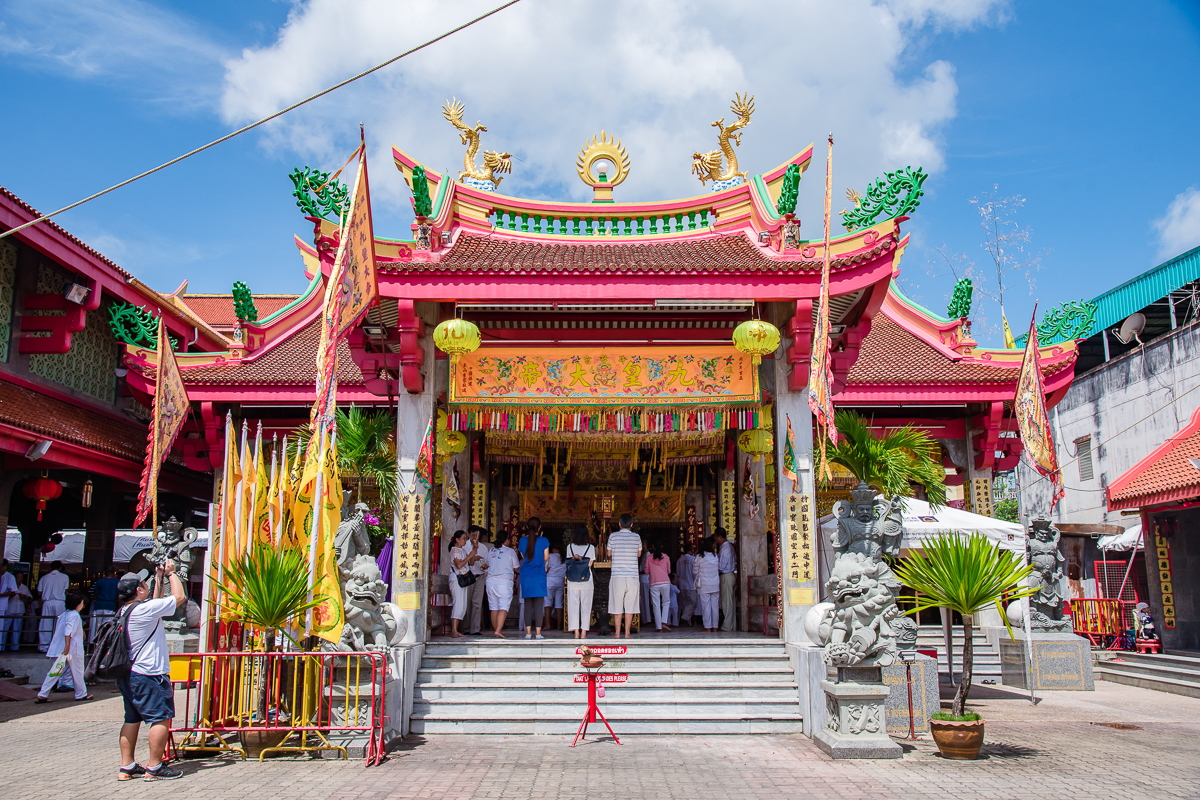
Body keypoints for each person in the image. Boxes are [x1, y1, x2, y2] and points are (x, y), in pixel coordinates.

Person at [116, 560, 187, 781]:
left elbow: (155, 603)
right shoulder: (145, 610)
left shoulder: (125, 610)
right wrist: (172, 574)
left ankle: (126, 767)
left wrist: (158, 578)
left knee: (131, 719)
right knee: (161, 718)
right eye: (142, 582)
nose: (146, 583)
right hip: (149, 673)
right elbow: (178, 599)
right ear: (138, 590)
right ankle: (154, 766)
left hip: (129, 674)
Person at [35, 591, 91, 702]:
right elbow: (68, 632)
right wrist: (67, 647)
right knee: (78, 671)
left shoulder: (64, 614)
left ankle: (43, 693)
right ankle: (81, 694)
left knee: (55, 671)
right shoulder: (74, 615)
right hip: (71, 649)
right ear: (79, 603)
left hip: (61, 648)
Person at [607, 513, 643, 639]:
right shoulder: (636, 537)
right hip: (632, 576)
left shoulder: (613, 536)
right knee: (630, 605)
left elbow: (609, 553)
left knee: (617, 604)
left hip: (617, 575)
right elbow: (639, 554)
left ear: (619, 524)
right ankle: (627, 633)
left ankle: (617, 633)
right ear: (631, 525)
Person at [518, 517, 550, 640]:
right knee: (538, 604)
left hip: (526, 575)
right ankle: (538, 633)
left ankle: (527, 633)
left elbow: (522, 555)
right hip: (539, 575)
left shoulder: (522, 540)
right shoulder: (544, 540)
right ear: (540, 527)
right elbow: (546, 557)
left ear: (527, 527)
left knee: (527, 604)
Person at [485, 531, 520, 638]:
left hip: (490, 582)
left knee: (494, 607)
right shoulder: (510, 551)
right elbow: (516, 567)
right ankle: (498, 630)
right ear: (506, 540)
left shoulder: (491, 550)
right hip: (504, 583)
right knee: (503, 607)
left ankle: (497, 631)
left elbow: (487, 564)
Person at [565, 526, 596, 639]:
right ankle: (583, 633)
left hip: (572, 580)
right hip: (586, 580)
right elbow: (590, 564)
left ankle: (576, 633)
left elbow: (569, 562)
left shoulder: (570, 547)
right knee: (586, 607)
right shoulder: (591, 548)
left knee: (573, 607)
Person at [463, 526, 492, 635]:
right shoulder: (465, 546)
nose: (475, 537)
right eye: (473, 535)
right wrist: (473, 555)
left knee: (477, 603)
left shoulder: (483, 548)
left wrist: (484, 566)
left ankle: (475, 628)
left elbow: (485, 561)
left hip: (479, 576)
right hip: (468, 576)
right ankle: (466, 628)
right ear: (469, 535)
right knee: (467, 603)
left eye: (477, 535)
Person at [37, 561, 69, 652]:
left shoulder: (44, 578)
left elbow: (39, 592)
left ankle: (44, 646)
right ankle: (58, 647)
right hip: (59, 602)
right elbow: (65, 591)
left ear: (50, 568)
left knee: (45, 624)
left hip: (47, 602)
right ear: (60, 568)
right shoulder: (64, 577)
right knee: (60, 624)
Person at [645, 540, 672, 632]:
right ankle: (664, 621)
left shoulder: (649, 558)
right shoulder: (666, 557)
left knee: (656, 605)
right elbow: (669, 571)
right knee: (666, 603)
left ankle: (658, 627)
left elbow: (646, 571)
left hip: (654, 583)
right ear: (662, 546)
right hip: (665, 582)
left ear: (652, 546)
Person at [447, 530, 471, 638]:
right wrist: (470, 556)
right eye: (463, 538)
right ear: (457, 539)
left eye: (466, 538)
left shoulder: (462, 550)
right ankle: (454, 630)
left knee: (462, 604)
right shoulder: (455, 550)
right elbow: (459, 565)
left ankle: (456, 629)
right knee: (458, 603)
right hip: (456, 579)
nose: (465, 540)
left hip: (462, 578)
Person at [694, 537, 721, 632]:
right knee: (715, 606)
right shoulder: (715, 556)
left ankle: (707, 627)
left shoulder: (699, 557)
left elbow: (694, 571)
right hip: (715, 584)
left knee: (706, 607)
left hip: (704, 585)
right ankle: (715, 626)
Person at [715, 529, 738, 632]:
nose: (715, 539)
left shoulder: (725, 548)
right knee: (730, 601)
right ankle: (731, 625)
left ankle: (727, 626)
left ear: (720, 537)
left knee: (727, 602)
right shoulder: (728, 547)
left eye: (716, 537)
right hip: (730, 575)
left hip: (726, 576)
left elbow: (721, 565)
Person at [91, 568, 120, 642]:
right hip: (110, 605)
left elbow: (95, 593)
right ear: (114, 572)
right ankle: (104, 642)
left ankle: (93, 643)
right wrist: (118, 607)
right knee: (107, 626)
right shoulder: (117, 581)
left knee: (96, 625)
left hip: (99, 604)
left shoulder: (100, 581)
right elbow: (119, 595)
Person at [545, 543, 566, 630]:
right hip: (560, 581)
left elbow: (546, 568)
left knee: (547, 604)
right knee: (559, 604)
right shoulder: (564, 557)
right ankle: (558, 626)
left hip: (550, 581)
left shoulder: (551, 556)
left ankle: (548, 624)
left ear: (553, 549)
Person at [676, 543, 698, 626]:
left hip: (682, 585)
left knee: (685, 604)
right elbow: (695, 573)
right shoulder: (693, 559)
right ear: (691, 550)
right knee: (693, 603)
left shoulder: (679, 560)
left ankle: (687, 622)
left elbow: (678, 573)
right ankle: (684, 618)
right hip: (691, 584)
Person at [10, 571, 32, 650]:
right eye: (18, 577)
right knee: (4, 628)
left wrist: (24, 596)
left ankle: (14, 647)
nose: (19, 579)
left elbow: (30, 598)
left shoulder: (24, 587)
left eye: (21, 577)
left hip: (20, 610)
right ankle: (1, 646)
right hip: (9, 609)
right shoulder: (10, 586)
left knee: (17, 629)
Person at [0, 560, 16, 649]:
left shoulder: (9, 577)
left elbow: (13, 592)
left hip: (1, 606)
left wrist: (2, 595)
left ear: (5, 567)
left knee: (1, 627)